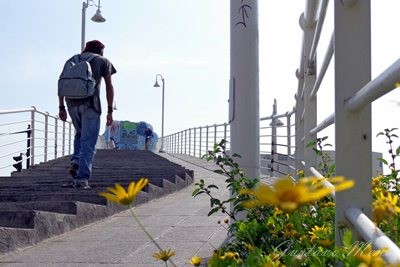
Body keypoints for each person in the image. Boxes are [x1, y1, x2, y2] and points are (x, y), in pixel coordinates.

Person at [58, 40, 117, 189]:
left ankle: (76, 160)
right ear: (101, 51)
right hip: (91, 105)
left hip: (72, 105)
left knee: (79, 134)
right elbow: (109, 86)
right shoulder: (103, 61)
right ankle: (82, 179)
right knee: (89, 141)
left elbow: (61, 82)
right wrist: (110, 111)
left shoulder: (72, 60)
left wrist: (61, 107)